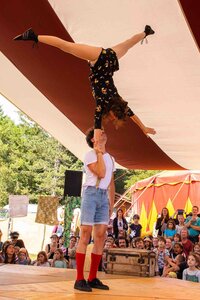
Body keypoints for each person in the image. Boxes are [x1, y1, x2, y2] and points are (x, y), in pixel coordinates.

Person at [13, 26, 156, 144]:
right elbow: (97, 126)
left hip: (111, 60)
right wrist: (98, 143)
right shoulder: (102, 104)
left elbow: (133, 116)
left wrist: (143, 127)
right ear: (113, 110)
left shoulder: (117, 99)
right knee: (66, 46)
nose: (112, 118)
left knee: (128, 43)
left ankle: (146, 32)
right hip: (98, 59)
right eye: (113, 117)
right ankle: (34, 36)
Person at [72, 128, 115, 292]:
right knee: (85, 233)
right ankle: (79, 279)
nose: (103, 133)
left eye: (104, 131)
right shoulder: (90, 155)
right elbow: (101, 173)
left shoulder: (111, 157)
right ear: (93, 139)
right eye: (99, 133)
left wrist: (111, 203)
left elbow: (110, 182)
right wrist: (99, 152)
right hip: (90, 193)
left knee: (101, 236)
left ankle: (92, 278)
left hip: (103, 196)